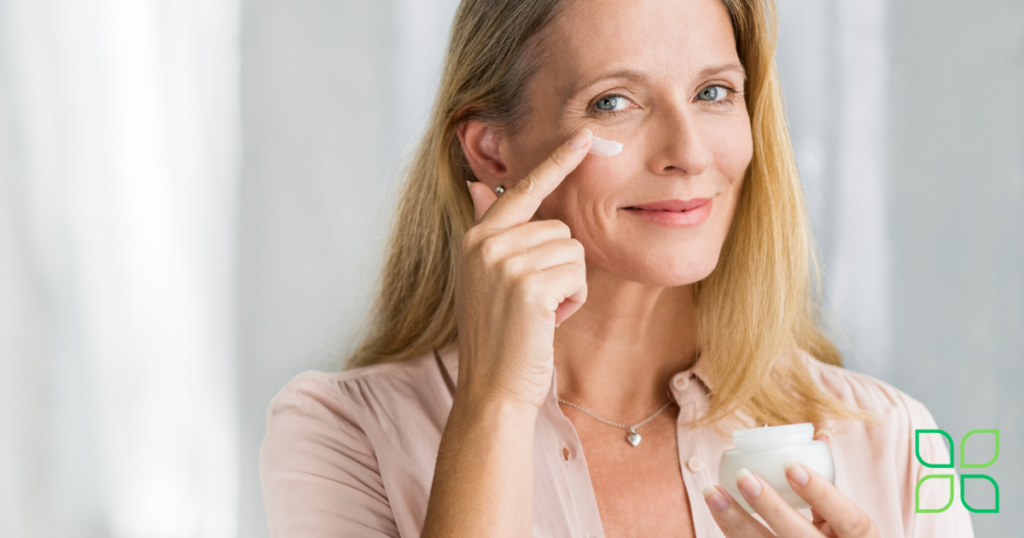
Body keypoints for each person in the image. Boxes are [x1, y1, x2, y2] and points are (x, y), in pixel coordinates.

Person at [260, 0, 975, 536]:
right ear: (490, 150)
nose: (689, 153)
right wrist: (496, 405)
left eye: (714, 92)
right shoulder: (342, 433)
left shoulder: (900, 438)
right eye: (615, 102)